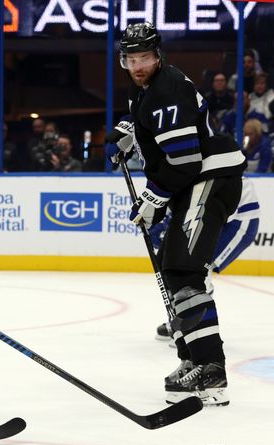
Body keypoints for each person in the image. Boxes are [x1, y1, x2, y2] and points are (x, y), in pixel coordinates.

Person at [105, 22, 246, 407]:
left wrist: (153, 199)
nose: (137, 65)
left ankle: (210, 370)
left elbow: (184, 160)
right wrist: (127, 132)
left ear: (158, 56)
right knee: (175, 269)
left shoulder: (166, 89)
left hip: (209, 179)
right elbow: (148, 124)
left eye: (144, 58)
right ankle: (194, 358)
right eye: (131, 59)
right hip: (196, 182)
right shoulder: (145, 88)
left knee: (184, 271)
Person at [150, 177, 260, 345]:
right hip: (212, 213)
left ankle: (196, 327)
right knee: (173, 264)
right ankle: (181, 320)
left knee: (197, 268)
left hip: (238, 222)